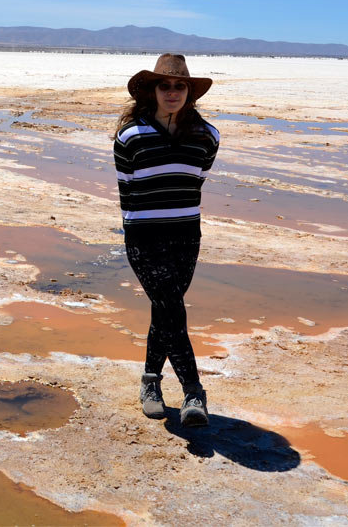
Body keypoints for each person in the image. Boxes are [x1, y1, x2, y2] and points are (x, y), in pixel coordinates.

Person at [113, 54, 219, 427]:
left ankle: (150, 383)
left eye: (179, 86)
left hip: (186, 236)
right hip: (144, 237)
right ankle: (193, 392)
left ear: (190, 92)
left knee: (165, 311)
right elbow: (127, 191)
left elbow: (196, 181)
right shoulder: (130, 136)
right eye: (165, 85)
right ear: (152, 91)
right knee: (173, 309)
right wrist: (136, 232)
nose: (172, 92)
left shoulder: (207, 136)